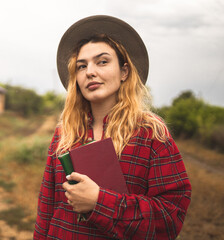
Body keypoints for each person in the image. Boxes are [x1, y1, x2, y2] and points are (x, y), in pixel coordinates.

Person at [34, 15, 191, 240]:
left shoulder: (151, 134)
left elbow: (170, 217)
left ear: (124, 72)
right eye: (81, 66)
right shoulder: (64, 133)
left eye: (102, 61)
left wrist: (100, 201)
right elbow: (46, 209)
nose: (89, 71)